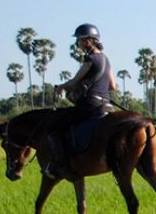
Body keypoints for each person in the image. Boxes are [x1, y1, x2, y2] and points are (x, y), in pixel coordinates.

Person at [45, 24, 115, 177]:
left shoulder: (90, 59)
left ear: (88, 40)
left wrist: (61, 87)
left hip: (89, 105)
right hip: (106, 105)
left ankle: (61, 164)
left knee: (54, 127)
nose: (78, 43)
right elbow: (113, 86)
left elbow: (75, 80)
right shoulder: (106, 60)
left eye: (79, 40)